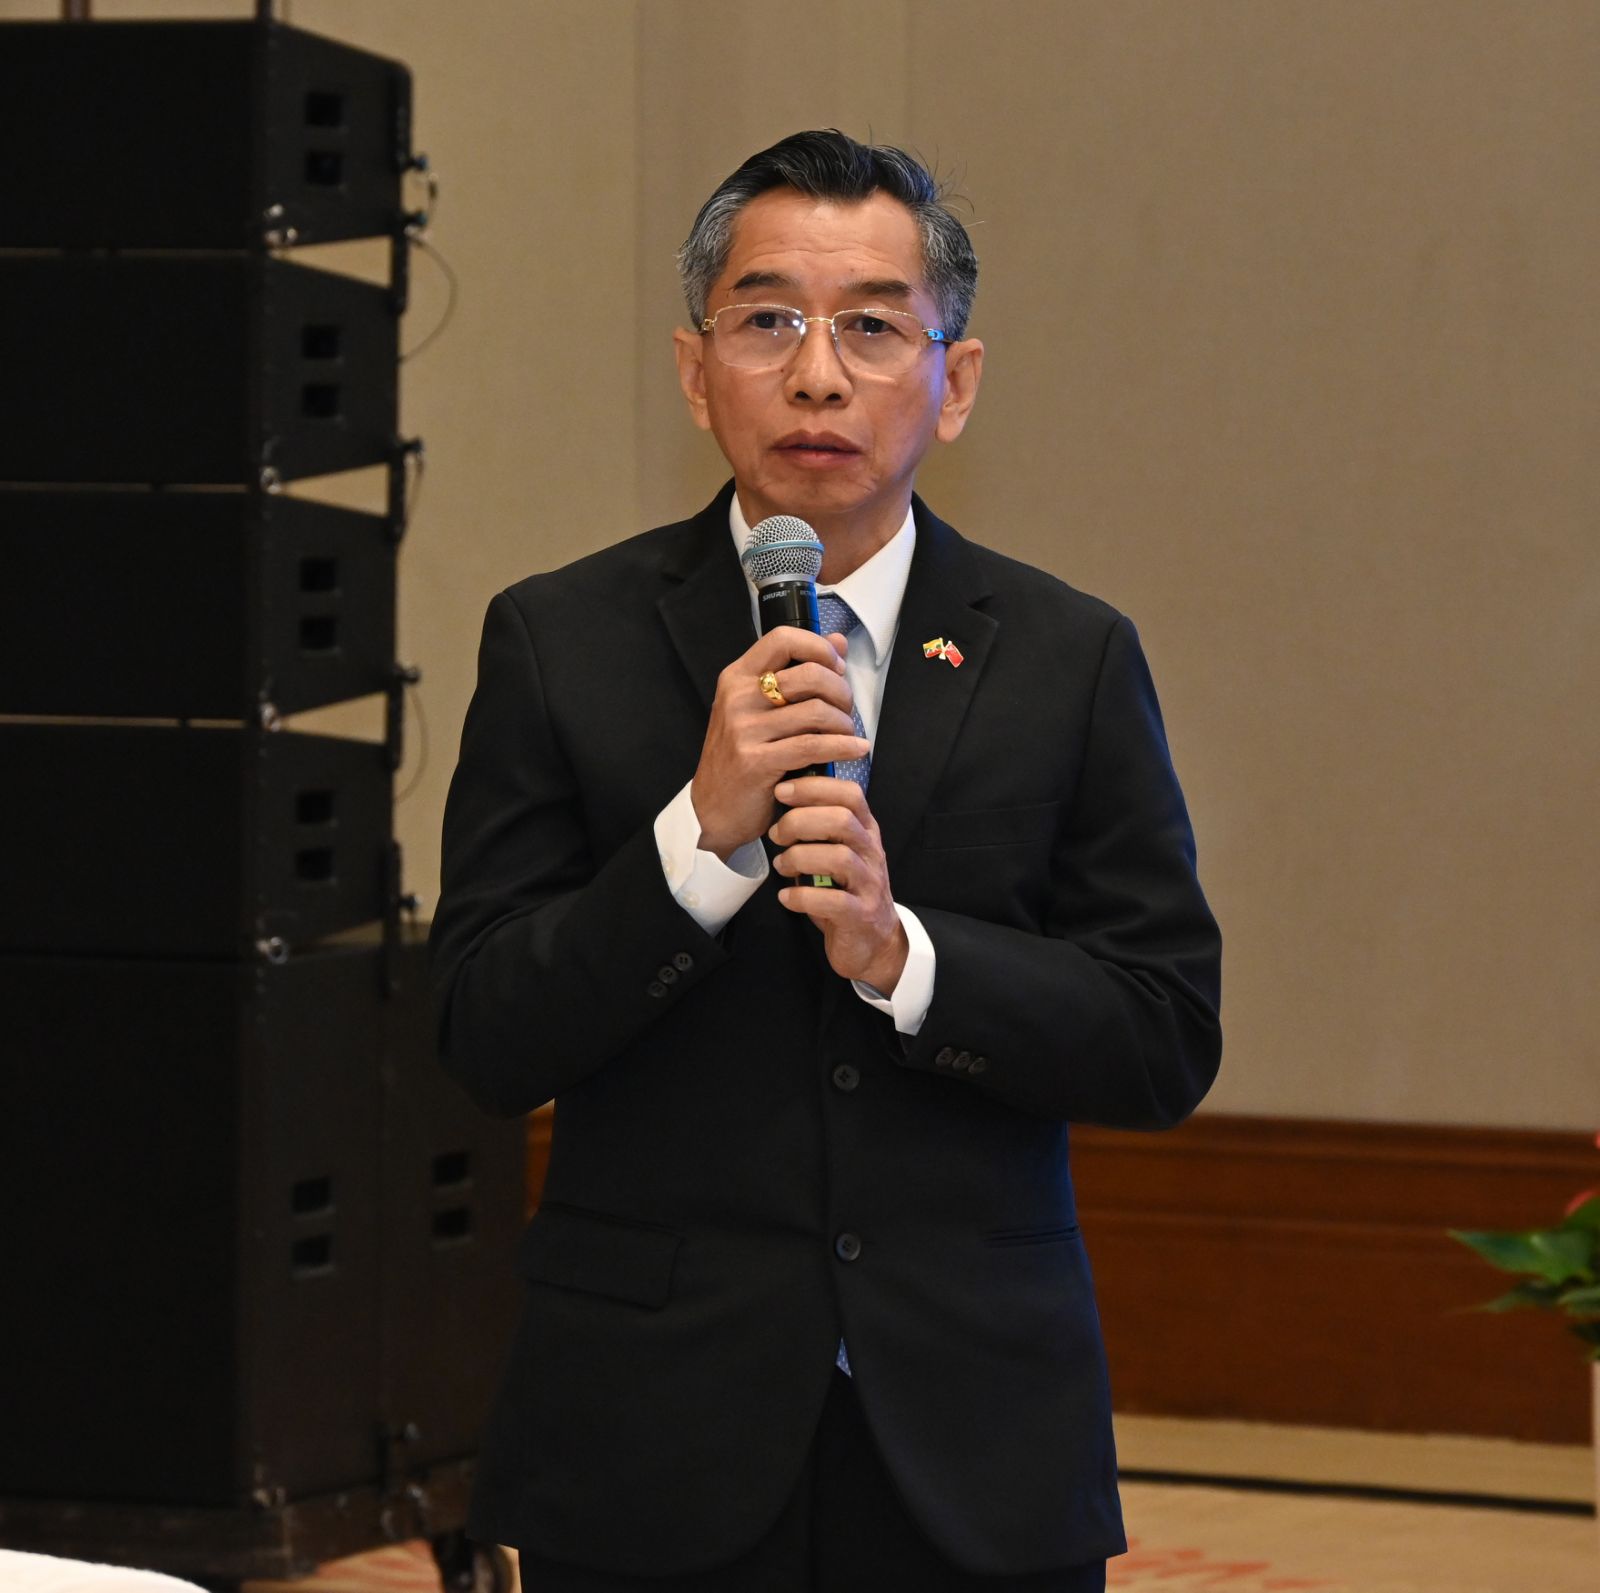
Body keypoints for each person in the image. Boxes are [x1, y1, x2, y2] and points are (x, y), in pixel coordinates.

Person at [429, 130, 1221, 1592]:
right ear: (695, 369)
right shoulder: (559, 639)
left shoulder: (1069, 656)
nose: (816, 376)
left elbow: (1163, 1032)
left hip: (975, 1430)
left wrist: (904, 957)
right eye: (767, 321)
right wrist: (697, 842)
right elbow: (484, 1029)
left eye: (871, 327)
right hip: (648, 1432)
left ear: (954, 382)